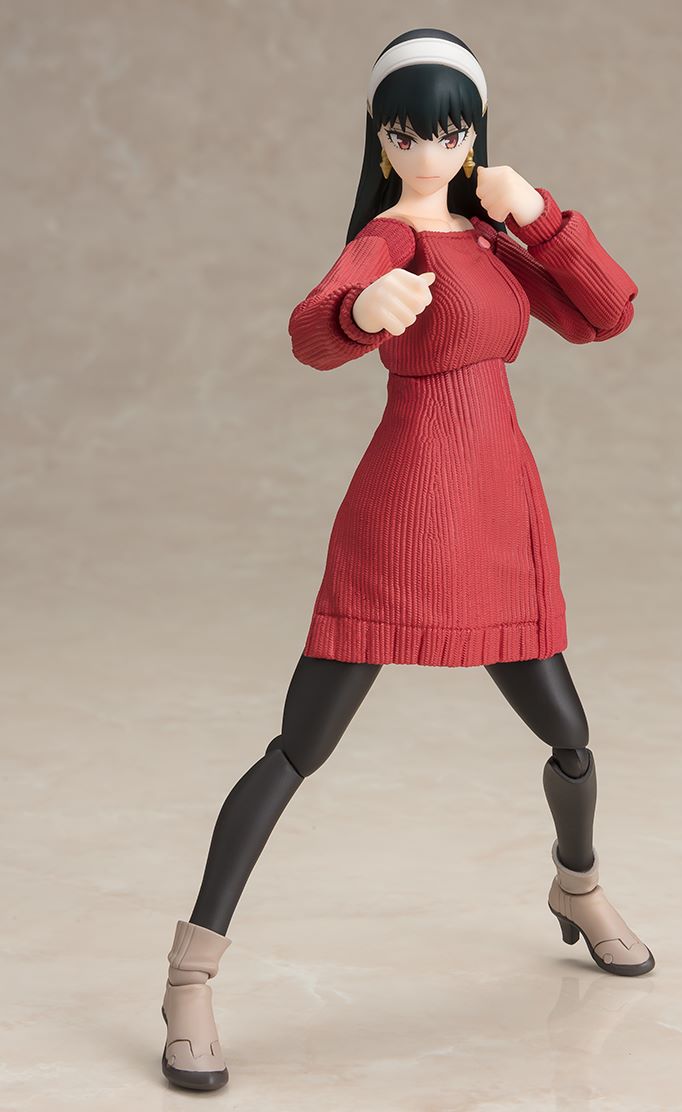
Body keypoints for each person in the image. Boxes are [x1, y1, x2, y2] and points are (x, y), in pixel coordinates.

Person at [159, 26, 654, 1093]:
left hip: (500, 514)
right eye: (409, 133)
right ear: (382, 142)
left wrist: (541, 215)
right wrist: (359, 309)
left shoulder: (492, 238)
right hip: (406, 512)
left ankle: (577, 884)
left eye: (452, 130)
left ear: (476, 134)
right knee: (299, 746)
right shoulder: (390, 238)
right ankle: (191, 970)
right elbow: (310, 331)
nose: (432, 150)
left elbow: (607, 311)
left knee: (569, 734)